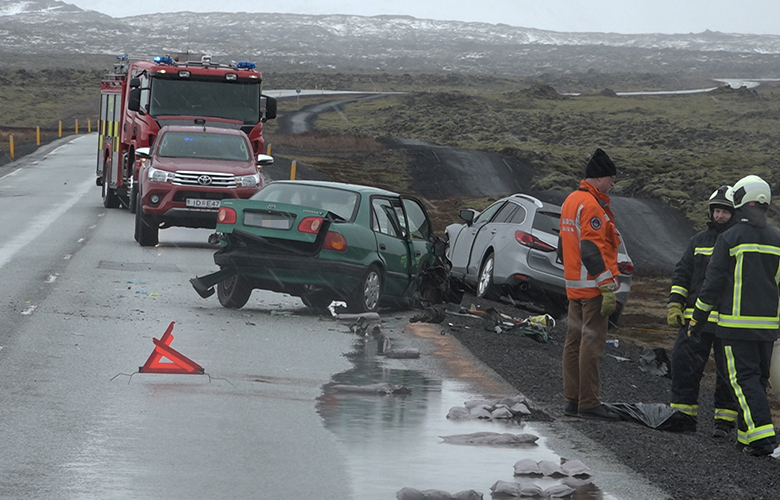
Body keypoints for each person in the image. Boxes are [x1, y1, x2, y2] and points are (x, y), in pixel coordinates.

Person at [689, 174, 780, 456]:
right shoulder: (777, 238)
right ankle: (745, 437)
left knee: (743, 381)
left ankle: (763, 437)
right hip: (767, 328)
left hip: (734, 326)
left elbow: (712, 284)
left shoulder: (729, 238)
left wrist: (697, 320)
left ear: (740, 200)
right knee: (758, 379)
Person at [667, 186, 738, 437]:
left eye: (725, 212)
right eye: (717, 211)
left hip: (728, 322)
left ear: (734, 213)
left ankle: (724, 424)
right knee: (684, 365)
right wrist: (675, 303)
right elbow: (683, 274)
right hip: (694, 320)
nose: (720, 216)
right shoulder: (697, 241)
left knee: (728, 374)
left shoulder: (739, 243)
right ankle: (684, 417)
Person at [559, 148, 622, 421]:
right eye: (610, 178)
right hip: (593, 289)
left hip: (574, 287)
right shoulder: (592, 206)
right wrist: (606, 286)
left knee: (572, 343)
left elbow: (563, 247)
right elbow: (590, 250)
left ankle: (572, 401)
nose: (611, 184)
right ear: (598, 178)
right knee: (590, 345)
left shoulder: (570, 201)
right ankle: (589, 403)